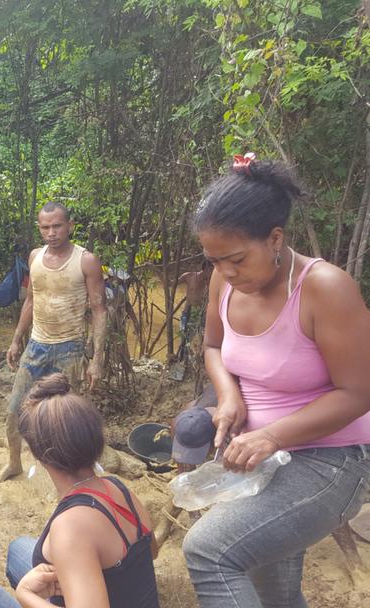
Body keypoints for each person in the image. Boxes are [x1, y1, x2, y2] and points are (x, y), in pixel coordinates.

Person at [180, 154, 370, 607]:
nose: (225, 272)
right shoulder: (222, 282)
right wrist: (228, 396)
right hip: (260, 460)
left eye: (236, 259)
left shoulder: (324, 287)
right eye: (214, 260)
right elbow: (213, 347)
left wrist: (270, 435)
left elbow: (360, 392)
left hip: (330, 460)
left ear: (275, 238)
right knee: (277, 594)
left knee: (209, 551)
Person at [0, 374, 158, 608]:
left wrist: (27, 596)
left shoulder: (71, 526)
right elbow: (151, 552)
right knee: (20, 548)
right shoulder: (118, 487)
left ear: (40, 455)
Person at [0, 203, 107, 482]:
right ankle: (14, 463)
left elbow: (99, 309)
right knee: (15, 410)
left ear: (70, 225)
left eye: (57, 226)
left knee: (68, 418)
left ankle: (75, 473)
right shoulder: (35, 256)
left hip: (70, 348)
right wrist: (16, 340)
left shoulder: (86, 260)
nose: (51, 233)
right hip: (36, 345)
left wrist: (97, 360)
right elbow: (31, 300)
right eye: (45, 227)